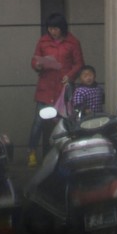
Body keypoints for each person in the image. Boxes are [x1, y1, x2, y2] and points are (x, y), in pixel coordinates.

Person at [28, 13, 85, 166]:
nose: (52, 32)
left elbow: (79, 63)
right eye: (50, 29)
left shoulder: (72, 42)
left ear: (62, 28)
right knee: (38, 122)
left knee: (64, 122)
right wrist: (38, 64)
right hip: (46, 87)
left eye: (55, 29)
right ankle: (32, 152)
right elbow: (35, 60)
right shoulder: (43, 41)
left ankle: (65, 153)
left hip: (63, 88)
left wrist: (70, 75)